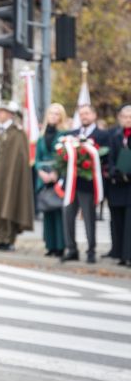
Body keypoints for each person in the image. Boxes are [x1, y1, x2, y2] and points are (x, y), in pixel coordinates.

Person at [61, 104, 108, 263]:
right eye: (81, 114)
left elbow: (105, 157)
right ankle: (71, 249)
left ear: (94, 115)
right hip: (71, 185)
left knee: (88, 218)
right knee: (67, 217)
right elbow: (63, 158)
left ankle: (91, 250)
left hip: (89, 184)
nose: (84, 117)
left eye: (87, 113)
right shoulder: (71, 135)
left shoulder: (102, 135)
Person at [0, 101, 34, 251]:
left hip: (11, 178)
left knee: (10, 207)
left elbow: (20, 158)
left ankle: (9, 239)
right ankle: (1, 238)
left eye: (2, 112)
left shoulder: (17, 133)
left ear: (10, 115)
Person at [35, 103, 70, 257]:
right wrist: (41, 172)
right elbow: (36, 158)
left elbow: (65, 156)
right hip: (43, 177)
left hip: (58, 176)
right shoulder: (41, 137)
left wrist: (56, 172)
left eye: (57, 114)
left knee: (58, 211)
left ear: (61, 117)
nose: (53, 116)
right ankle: (50, 245)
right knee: (47, 211)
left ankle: (60, 245)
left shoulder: (64, 135)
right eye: (51, 113)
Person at [107, 105, 131, 267]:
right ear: (120, 118)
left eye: (130, 117)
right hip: (116, 186)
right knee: (118, 221)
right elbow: (108, 158)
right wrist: (114, 171)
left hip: (130, 186)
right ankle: (120, 254)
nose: (127, 120)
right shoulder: (114, 136)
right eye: (125, 116)